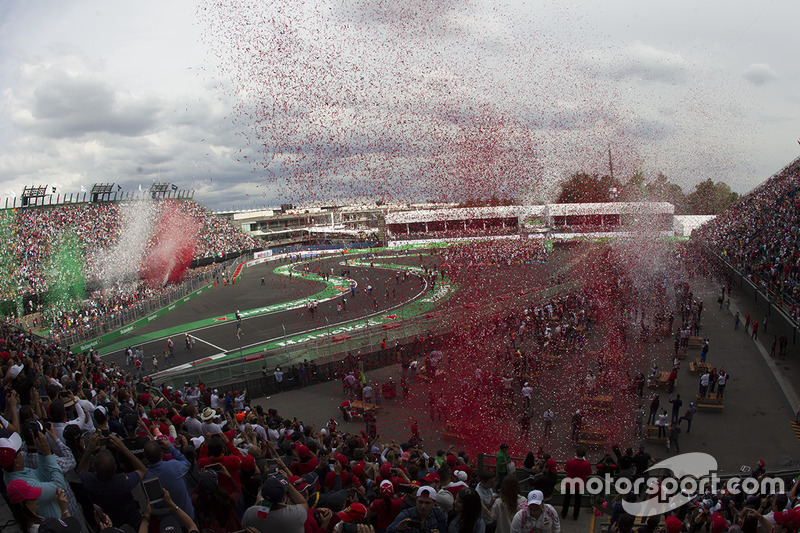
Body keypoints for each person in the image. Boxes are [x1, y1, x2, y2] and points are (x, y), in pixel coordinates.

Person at [561, 447, 591, 520]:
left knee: (567, 499)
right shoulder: (587, 464)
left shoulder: (569, 462)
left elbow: (565, 469)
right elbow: (588, 473)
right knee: (578, 500)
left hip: (570, 483)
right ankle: (575, 515)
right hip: (580, 484)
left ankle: (564, 513)